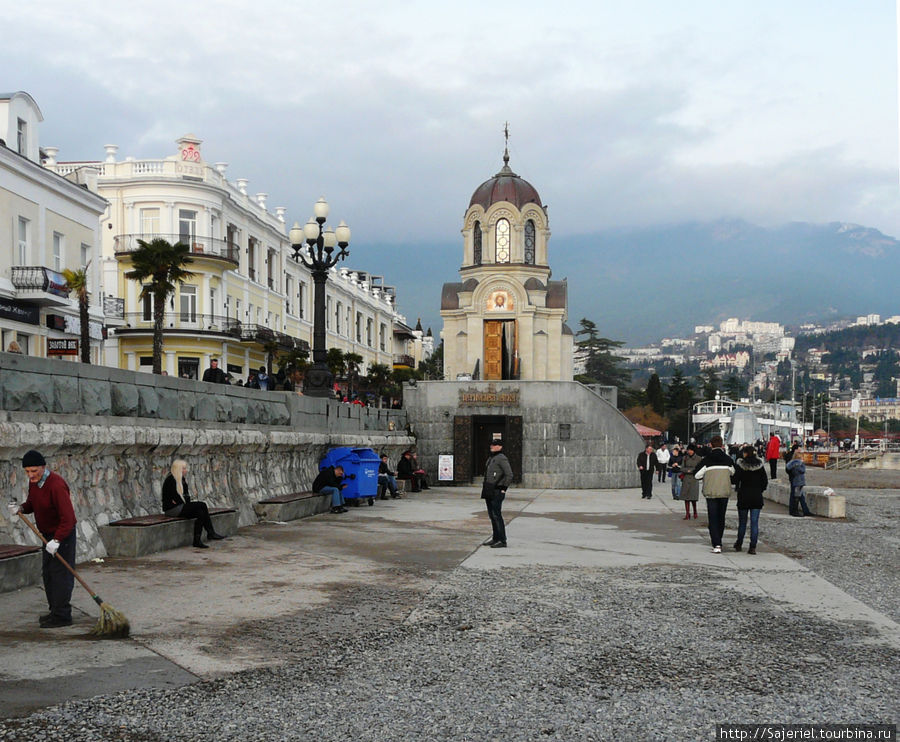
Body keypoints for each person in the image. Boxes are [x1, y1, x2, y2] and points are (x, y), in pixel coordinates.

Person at [8, 450, 77, 627]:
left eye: (34, 471)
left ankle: (62, 616)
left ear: (43, 467)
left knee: (60, 574)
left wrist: (58, 540)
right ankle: (54, 611)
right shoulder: (35, 483)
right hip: (47, 535)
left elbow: (68, 518)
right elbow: (33, 503)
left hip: (62, 535)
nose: (30, 475)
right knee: (48, 574)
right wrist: (21, 508)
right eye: (27, 472)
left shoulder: (56, 485)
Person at [162, 460, 226, 548]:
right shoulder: (170, 480)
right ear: (178, 469)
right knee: (202, 505)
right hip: (172, 509)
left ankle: (197, 540)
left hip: (180, 506)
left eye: (185, 468)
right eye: (183, 468)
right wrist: (182, 502)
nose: (186, 470)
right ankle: (210, 532)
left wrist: (183, 502)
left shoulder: (182, 480)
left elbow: (186, 497)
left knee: (200, 512)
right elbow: (175, 498)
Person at [693, 435, 735, 553]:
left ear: (710, 445)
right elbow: (734, 473)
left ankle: (716, 544)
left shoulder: (707, 460)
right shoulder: (728, 459)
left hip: (711, 492)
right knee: (721, 517)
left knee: (713, 518)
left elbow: (697, 475)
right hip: (724, 491)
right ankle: (719, 539)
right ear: (722, 445)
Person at [732, 445, 767, 554]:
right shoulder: (760, 466)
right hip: (756, 496)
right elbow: (764, 482)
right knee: (754, 522)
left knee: (742, 522)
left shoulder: (741, 465)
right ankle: (753, 547)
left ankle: (739, 543)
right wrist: (759, 490)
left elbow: (734, 480)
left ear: (746, 453)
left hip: (744, 496)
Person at [481, 439, 513, 548]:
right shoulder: (492, 458)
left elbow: (509, 474)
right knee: (492, 515)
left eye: (494, 445)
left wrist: (503, 488)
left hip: (497, 490)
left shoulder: (502, 458)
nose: (492, 446)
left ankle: (502, 540)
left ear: (500, 447)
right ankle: (495, 538)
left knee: (497, 515)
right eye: (492, 444)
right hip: (489, 489)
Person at [785, 451, 813, 517]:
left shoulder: (790, 464)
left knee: (798, 496)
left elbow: (789, 471)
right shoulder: (799, 463)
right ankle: (796, 512)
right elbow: (802, 471)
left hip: (794, 481)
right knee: (797, 497)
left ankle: (804, 511)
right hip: (799, 482)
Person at [680, 443, 702, 518]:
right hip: (686, 478)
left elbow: (699, 468)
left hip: (694, 479)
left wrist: (692, 470)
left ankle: (695, 511)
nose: (689, 451)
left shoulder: (698, 458)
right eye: (688, 450)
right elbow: (682, 468)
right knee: (686, 497)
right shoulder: (685, 458)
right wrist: (687, 470)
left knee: (693, 497)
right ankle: (687, 513)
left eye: (691, 450)